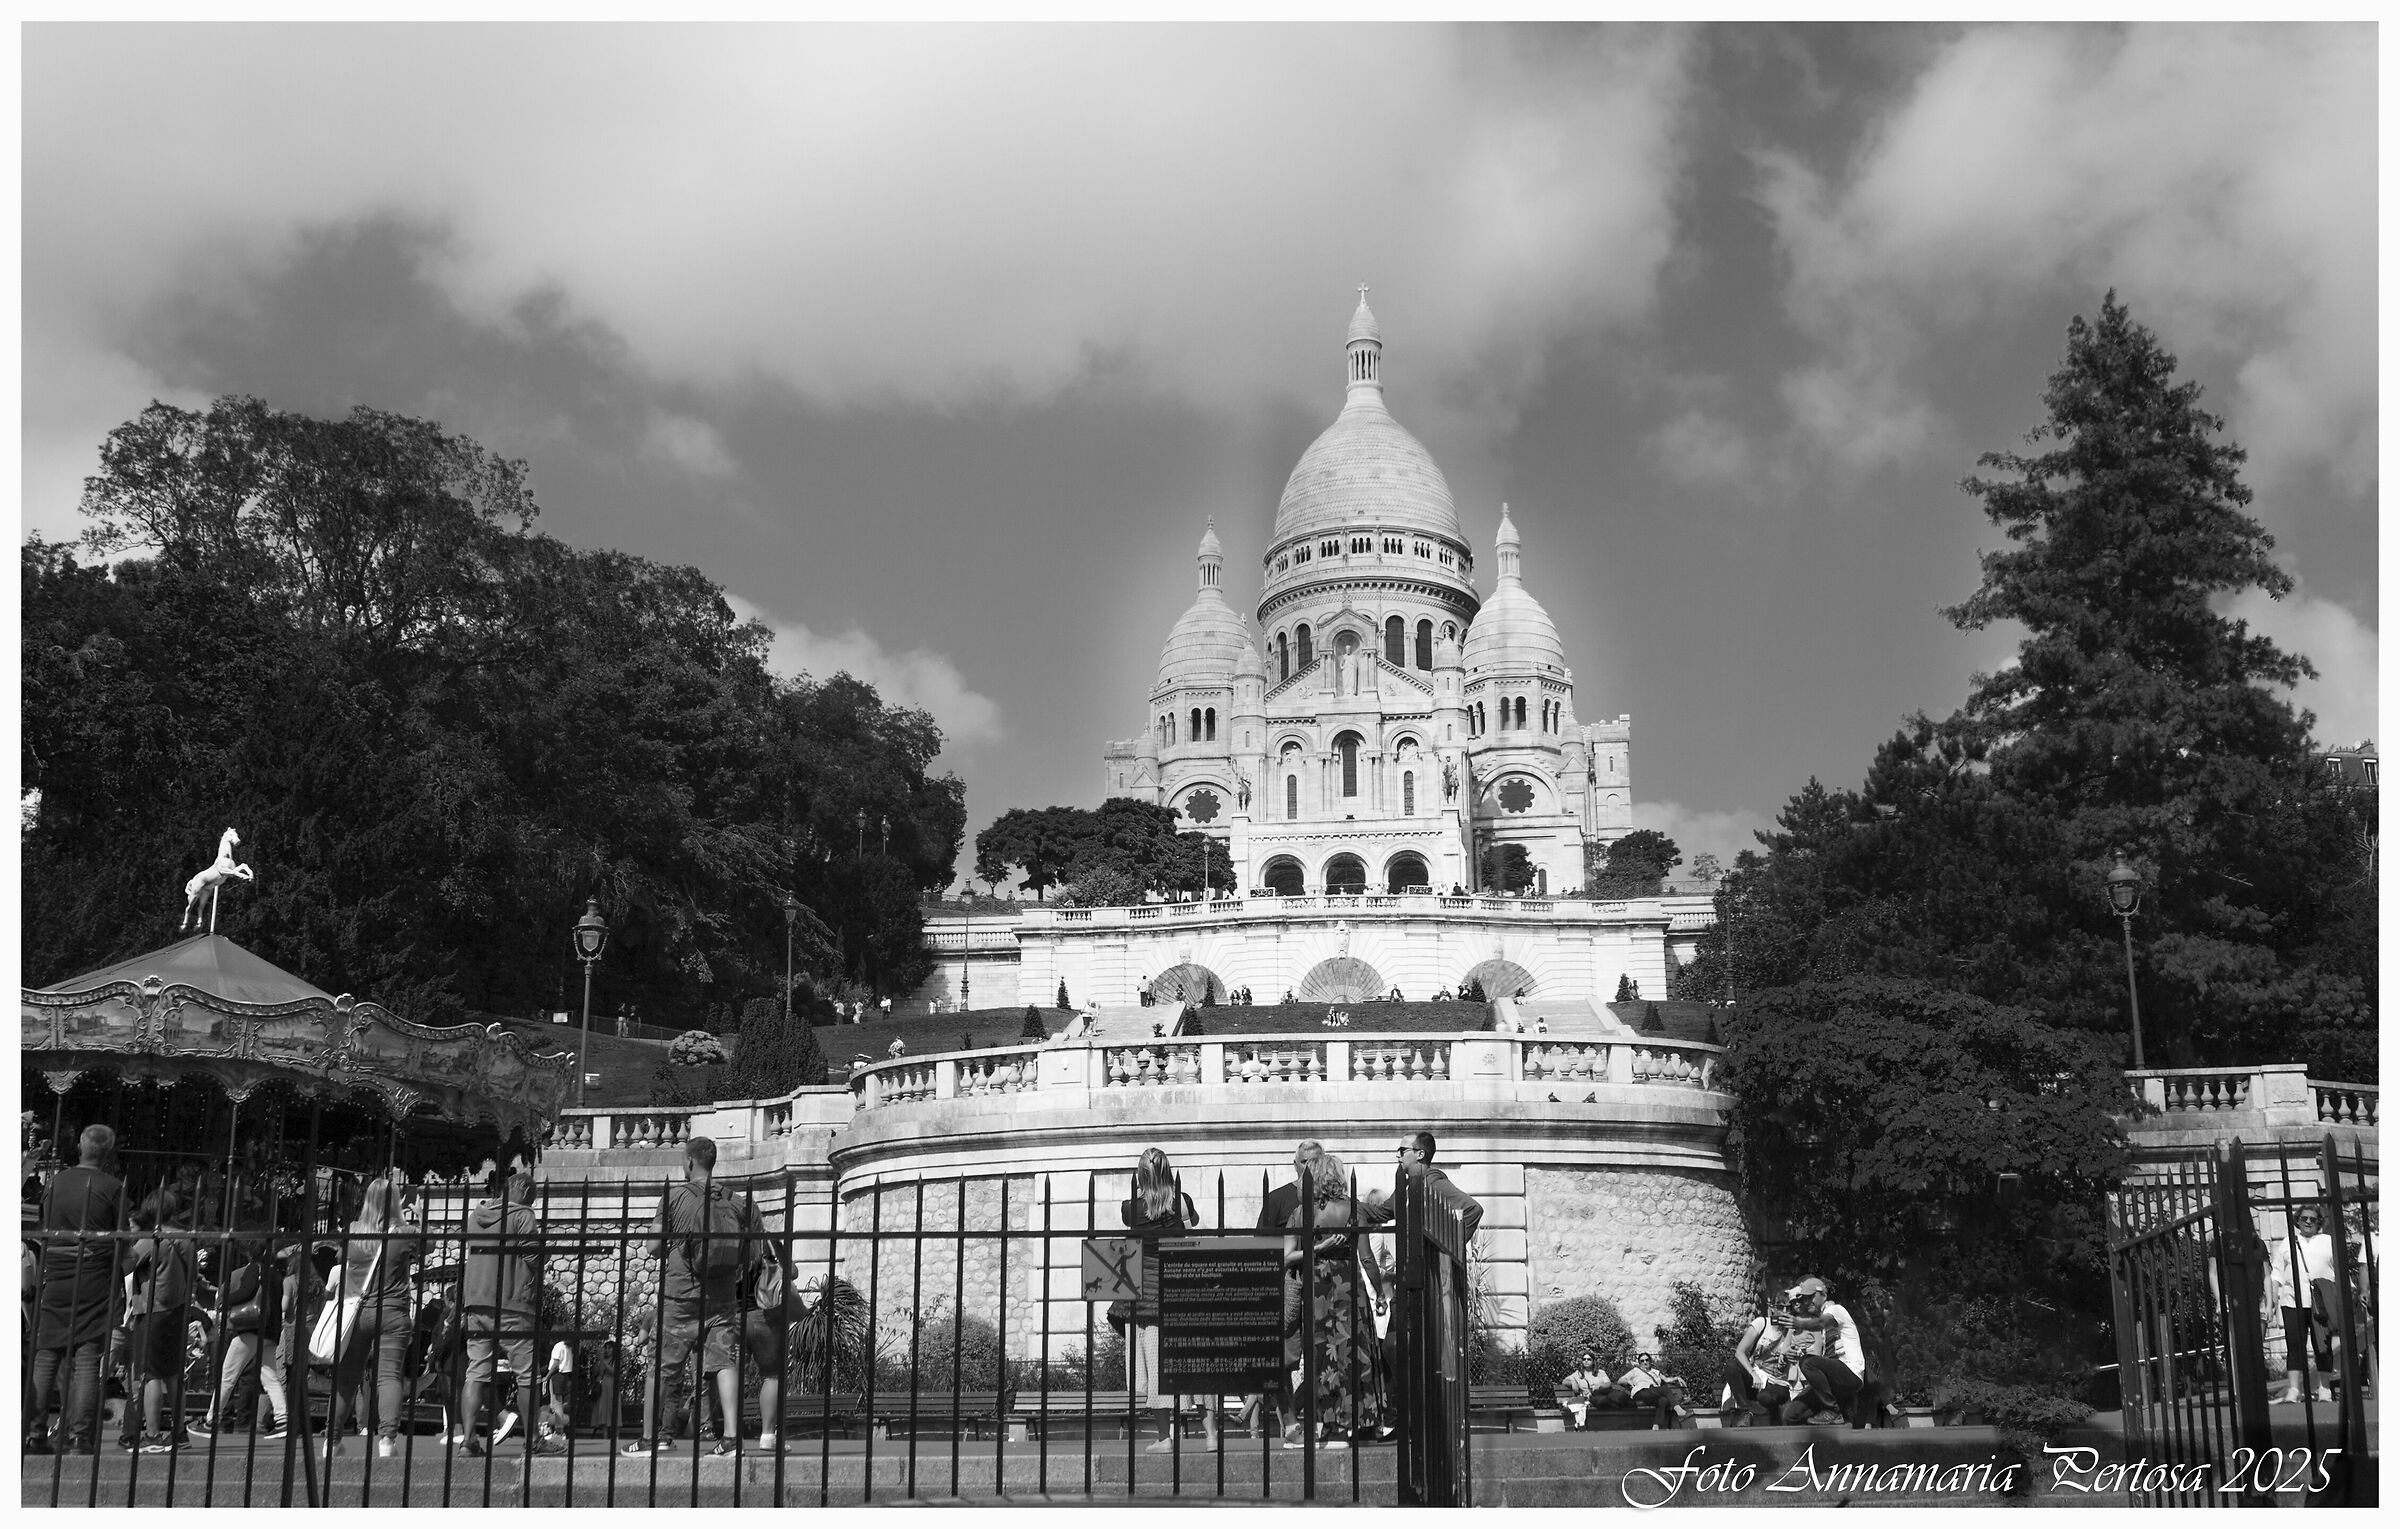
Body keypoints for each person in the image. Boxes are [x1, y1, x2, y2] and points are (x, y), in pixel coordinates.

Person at [627, 1136, 755, 1457]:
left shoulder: (674, 1196)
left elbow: (653, 1247)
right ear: (713, 1162)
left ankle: (649, 1439)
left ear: (688, 1162)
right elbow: (752, 1252)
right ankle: (730, 1437)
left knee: (662, 1368)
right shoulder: (737, 1201)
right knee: (724, 1362)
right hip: (722, 1295)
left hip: (681, 1295)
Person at [26, 1124, 124, 1455]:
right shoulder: (113, 1187)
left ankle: (34, 1433)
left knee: (46, 1353)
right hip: (94, 1276)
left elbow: (43, 1225)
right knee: (86, 1358)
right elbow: (120, 1240)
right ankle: (80, 1435)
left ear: (81, 1144)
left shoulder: (57, 1181)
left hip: (56, 1273)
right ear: (108, 1151)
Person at [1282, 1152, 1385, 1447]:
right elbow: (1366, 1257)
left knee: (1322, 1356)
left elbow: (1287, 1257)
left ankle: (1328, 1426)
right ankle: (1361, 1421)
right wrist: (1378, 1292)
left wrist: (1316, 1248)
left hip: (1316, 1289)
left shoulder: (1301, 1213)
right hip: (1347, 1287)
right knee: (1356, 1354)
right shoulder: (1351, 1209)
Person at [458, 1168, 562, 1455]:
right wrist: (546, 1251)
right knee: (527, 1374)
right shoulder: (522, 1214)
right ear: (527, 1193)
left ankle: (468, 1440)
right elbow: (532, 1256)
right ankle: (533, 1441)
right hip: (513, 1302)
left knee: (476, 1372)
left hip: (477, 1301)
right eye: (534, 1198)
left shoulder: (476, 1216)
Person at [1120, 1147, 1213, 1450]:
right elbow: (1194, 1222)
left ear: (1139, 1175)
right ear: (1169, 1171)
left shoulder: (1130, 1209)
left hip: (1145, 1297)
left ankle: (1164, 1437)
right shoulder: (1182, 1203)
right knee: (1192, 1364)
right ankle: (1211, 1435)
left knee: (1153, 1365)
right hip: (1180, 1289)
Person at [328, 1174, 426, 1457]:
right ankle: (386, 1441)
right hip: (393, 1310)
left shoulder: (354, 1231)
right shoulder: (405, 1233)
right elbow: (428, 1244)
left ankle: (332, 1441)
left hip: (358, 1310)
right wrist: (417, 1216)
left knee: (347, 1377)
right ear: (395, 1202)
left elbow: (340, 1260)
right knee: (388, 1377)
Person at [1243, 1143, 1324, 1441]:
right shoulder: (1278, 1198)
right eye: (1304, 1161)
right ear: (1295, 1163)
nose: (1309, 1167)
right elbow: (1259, 1244)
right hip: (1287, 1286)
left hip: (1321, 1289)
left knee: (1322, 1357)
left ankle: (1306, 1416)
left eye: (1315, 1161)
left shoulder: (1329, 1201)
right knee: (1283, 1360)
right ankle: (1290, 1422)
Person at [120, 1188, 200, 1453]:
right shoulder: (187, 1239)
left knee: (150, 1374)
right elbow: (193, 1274)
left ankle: (153, 1434)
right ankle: (179, 1434)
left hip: (152, 1311)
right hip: (177, 1310)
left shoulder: (151, 1239)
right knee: (174, 1375)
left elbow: (126, 1266)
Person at [194, 1238, 288, 1441]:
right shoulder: (275, 1274)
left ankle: (212, 1420)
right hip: (270, 1331)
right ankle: (282, 1420)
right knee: (270, 1376)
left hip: (251, 1329)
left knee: (228, 1376)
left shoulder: (254, 1269)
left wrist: (225, 1300)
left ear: (249, 1254)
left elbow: (247, 1290)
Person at [1774, 1277, 1865, 1425]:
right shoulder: (1819, 1324)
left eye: (1811, 1297)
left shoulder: (1836, 1310)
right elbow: (1820, 1359)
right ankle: (1814, 1445)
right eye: (1804, 1299)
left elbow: (1822, 1323)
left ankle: (1832, 1410)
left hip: (1850, 1375)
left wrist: (1798, 1323)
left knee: (1808, 1363)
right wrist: (1795, 1356)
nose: (1807, 1302)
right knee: (1790, 1415)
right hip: (1830, 1382)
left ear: (1823, 1295)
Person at [2274, 1206, 2340, 1403]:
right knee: (2294, 1345)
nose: (2308, 1222)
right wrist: (2270, 1301)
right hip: (2292, 1300)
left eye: (2312, 1218)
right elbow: (2277, 1272)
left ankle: (2325, 1388)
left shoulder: (2328, 1241)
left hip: (2321, 1302)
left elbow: (2339, 1269)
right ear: (2298, 1220)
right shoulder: (2288, 1242)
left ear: (2319, 1221)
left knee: (2323, 1345)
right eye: (2304, 1218)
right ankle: (2294, 1389)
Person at [1721, 1303, 1799, 1425]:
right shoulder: (1762, 1323)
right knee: (1731, 1366)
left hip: (1778, 1383)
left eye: (1788, 1308)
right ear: (1773, 1308)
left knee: (1766, 1397)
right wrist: (1753, 1374)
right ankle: (1744, 1412)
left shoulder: (1794, 1330)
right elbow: (1739, 1352)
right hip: (1756, 1378)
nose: (1784, 1312)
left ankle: (1776, 1419)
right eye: (1780, 1307)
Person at [1616, 1351, 1691, 1429]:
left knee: (1663, 1400)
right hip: (1641, 1392)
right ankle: (1678, 1409)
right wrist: (1628, 1381)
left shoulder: (1656, 1372)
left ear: (1650, 1361)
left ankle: (1656, 1425)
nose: (1645, 1362)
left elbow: (1667, 1380)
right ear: (1639, 1363)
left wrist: (1677, 1378)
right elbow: (1620, 1381)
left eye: (1647, 1360)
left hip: (1654, 1393)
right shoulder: (1635, 1371)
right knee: (1665, 1389)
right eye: (1642, 1361)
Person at [1558, 1350, 1627, 1428]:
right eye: (1584, 1359)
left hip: (1603, 1392)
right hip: (1591, 1397)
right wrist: (1574, 1382)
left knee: (1620, 1396)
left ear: (1593, 1361)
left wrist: (1599, 1386)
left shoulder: (1600, 1372)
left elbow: (1608, 1383)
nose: (1586, 1361)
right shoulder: (1578, 1374)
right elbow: (1564, 1381)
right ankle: (1616, 1408)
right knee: (1602, 1400)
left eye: (1589, 1359)